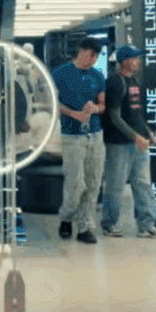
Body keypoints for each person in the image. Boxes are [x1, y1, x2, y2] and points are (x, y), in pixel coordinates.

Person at [100, 45, 156, 238]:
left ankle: (147, 225)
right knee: (115, 186)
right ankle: (109, 224)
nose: (138, 62)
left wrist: (147, 131)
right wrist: (136, 136)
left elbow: (136, 113)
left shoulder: (134, 80)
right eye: (135, 58)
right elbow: (114, 116)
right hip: (118, 144)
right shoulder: (115, 82)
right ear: (125, 61)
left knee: (143, 184)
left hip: (138, 142)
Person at [50, 38, 107, 244]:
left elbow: (103, 104)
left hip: (95, 135)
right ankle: (66, 217)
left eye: (96, 57)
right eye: (91, 55)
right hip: (71, 136)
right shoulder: (60, 73)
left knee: (93, 182)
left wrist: (95, 108)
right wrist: (74, 114)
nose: (93, 60)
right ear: (82, 52)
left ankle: (85, 226)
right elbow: (52, 102)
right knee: (75, 182)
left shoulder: (97, 76)